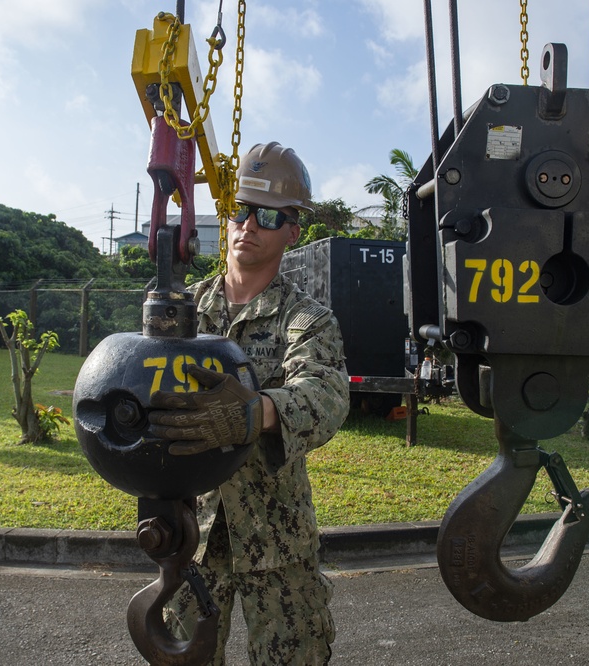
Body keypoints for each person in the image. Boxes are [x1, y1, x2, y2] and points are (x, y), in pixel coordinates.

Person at [148, 141, 350, 665]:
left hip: (277, 538)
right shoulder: (183, 310)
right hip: (193, 532)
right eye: (239, 210)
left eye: (266, 215)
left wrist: (252, 412)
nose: (247, 225)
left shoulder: (307, 319)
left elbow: (326, 394)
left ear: (292, 231)